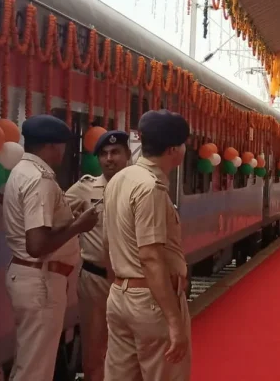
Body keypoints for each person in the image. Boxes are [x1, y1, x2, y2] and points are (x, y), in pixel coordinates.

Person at [3, 115, 99, 380]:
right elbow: (37, 245)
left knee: (29, 361)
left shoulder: (20, 171)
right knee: (36, 369)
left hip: (29, 276)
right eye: (63, 145)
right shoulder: (40, 179)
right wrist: (78, 226)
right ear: (52, 146)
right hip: (41, 279)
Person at [103, 110, 191, 380]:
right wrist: (174, 320)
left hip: (119, 296)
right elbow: (150, 257)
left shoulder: (119, 179)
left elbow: (107, 244)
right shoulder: (150, 188)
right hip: (149, 301)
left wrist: (119, 287)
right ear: (173, 150)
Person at [65, 130, 130, 381]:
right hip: (95, 282)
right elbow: (51, 211)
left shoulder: (141, 187)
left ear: (127, 155)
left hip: (131, 282)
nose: (109, 158)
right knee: (94, 354)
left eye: (115, 152)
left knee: (129, 353)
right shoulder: (85, 188)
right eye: (103, 154)